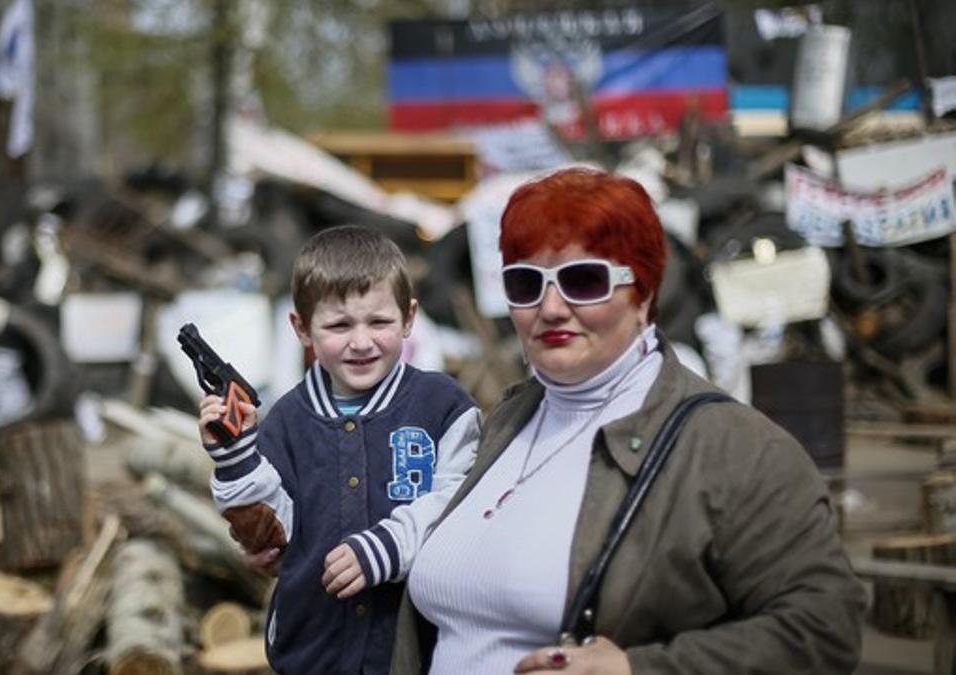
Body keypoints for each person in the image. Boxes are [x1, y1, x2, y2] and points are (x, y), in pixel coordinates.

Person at [392, 168, 866, 674]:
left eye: (584, 280)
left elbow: (824, 626)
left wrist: (637, 669)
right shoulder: (507, 421)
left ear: (642, 294)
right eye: (525, 282)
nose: (550, 307)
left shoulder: (734, 449)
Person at [198, 225, 481, 675]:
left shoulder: (443, 407)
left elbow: (463, 502)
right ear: (302, 328)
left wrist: (389, 546)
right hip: (313, 651)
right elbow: (272, 537)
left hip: (416, 653)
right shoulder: (287, 420)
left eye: (380, 322)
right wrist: (235, 457)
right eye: (339, 325)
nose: (362, 341)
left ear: (409, 318)